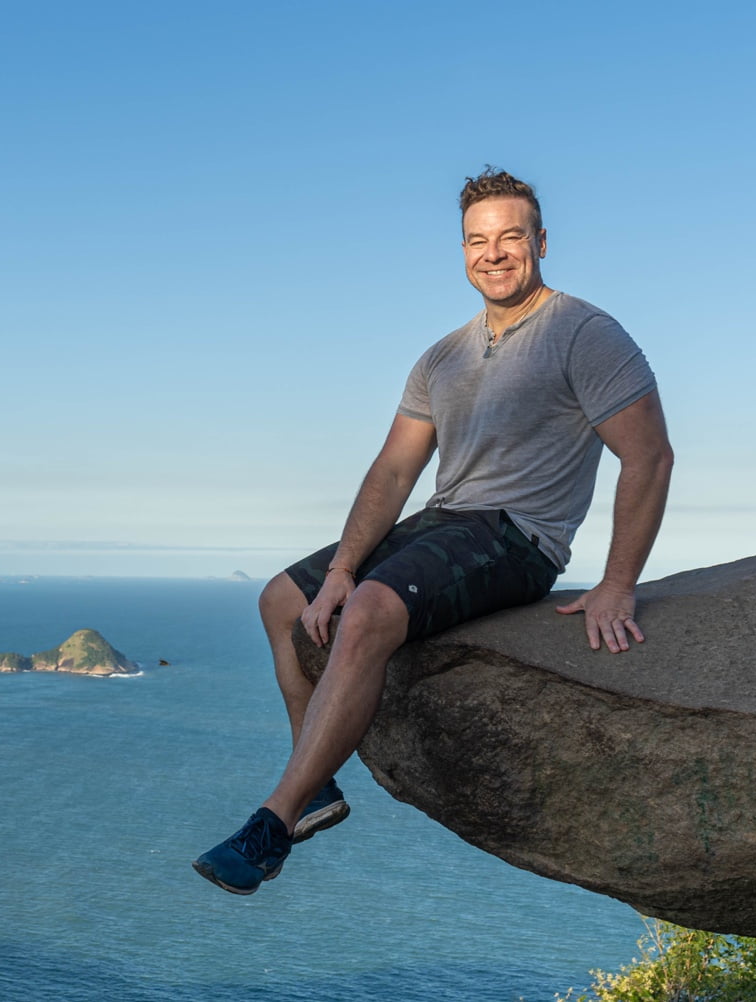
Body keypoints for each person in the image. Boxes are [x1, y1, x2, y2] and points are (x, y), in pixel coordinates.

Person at [193, 167, 673, 895]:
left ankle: (272, 823)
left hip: (518, 535)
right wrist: (343, 567)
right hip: (443, 521)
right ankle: (317, 785)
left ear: (540, 242)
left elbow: (648, 455)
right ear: (461, 250)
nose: (494, 253)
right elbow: (392, 471)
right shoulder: (442, 356)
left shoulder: (585, 333)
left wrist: (616, 584)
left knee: (371, 614)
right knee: (279, 600)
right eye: (478, 240)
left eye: (511, 236)